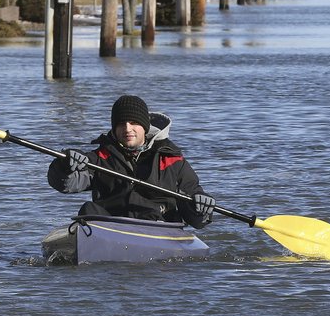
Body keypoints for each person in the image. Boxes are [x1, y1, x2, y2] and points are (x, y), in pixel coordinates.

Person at [48, 95, 217, 229]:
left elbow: (197, 220)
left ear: (145, 127)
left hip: (159, 228)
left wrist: (201, 207)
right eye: (121, 123)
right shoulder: (99, 158)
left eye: (134, 123)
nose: (127, 129)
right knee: (88, 210)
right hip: (111, 228)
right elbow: (65, 184)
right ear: (114, 128)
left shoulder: (173, 161)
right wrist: (64, 165)